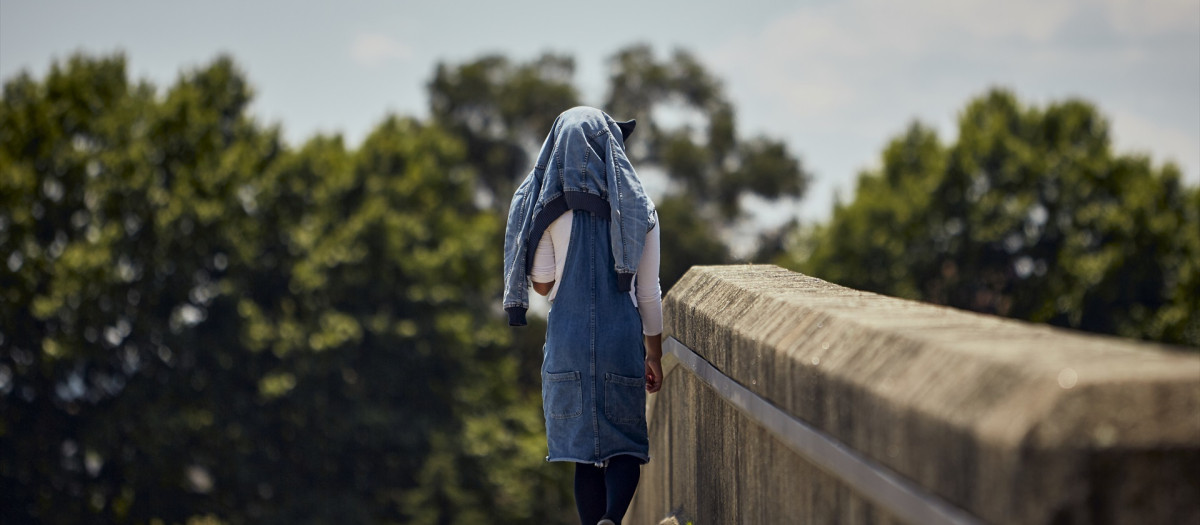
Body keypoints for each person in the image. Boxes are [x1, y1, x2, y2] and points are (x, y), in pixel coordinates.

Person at [502, 106, 663, 525]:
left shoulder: (546, 212)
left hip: (568, 345)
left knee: (583, 453)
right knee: (623, 444)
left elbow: (541, 283)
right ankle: (613, 518)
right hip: (620, 340)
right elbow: (647, 292)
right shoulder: (639, 211)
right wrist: (655, 354)